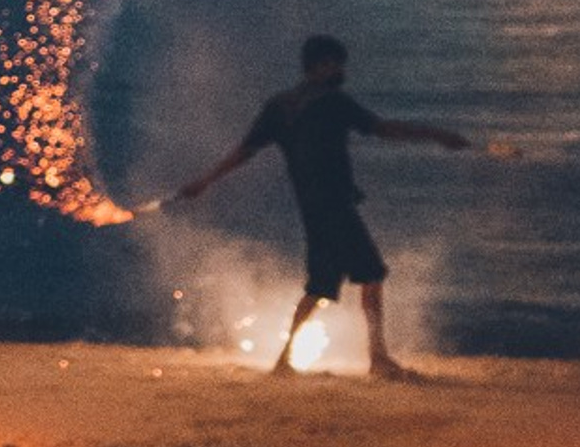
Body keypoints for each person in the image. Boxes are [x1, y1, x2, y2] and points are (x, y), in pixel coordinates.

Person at [169, 33, 473, 379]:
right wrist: (437, 134)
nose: (340, 70)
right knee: (370, 275)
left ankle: (286, 360)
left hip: (313, 209)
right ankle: (377, 358)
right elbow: (383, 128)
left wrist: (204, 182)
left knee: (320, 286)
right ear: (320, 65)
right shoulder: (333, 102)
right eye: (335, 63)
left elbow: (244, 151)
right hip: (338, 207)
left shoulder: (280, 107)